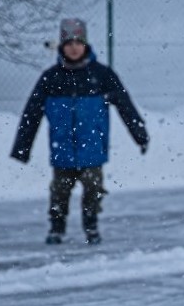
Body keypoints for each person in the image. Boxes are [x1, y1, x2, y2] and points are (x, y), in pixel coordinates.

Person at [10, 18, 149, 245]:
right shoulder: (51, 77)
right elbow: (31, 113)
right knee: (59, 191)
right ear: (62, 46)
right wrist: (22, 148)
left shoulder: (102, 75)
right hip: (62, 147)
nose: (74, 47)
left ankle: (91, 224)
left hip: (92, 147)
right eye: (69, 43)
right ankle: (57, 226)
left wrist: (139, 134)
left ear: (86, 45)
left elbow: (125, 105)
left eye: (79, 42)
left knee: (93, 189)